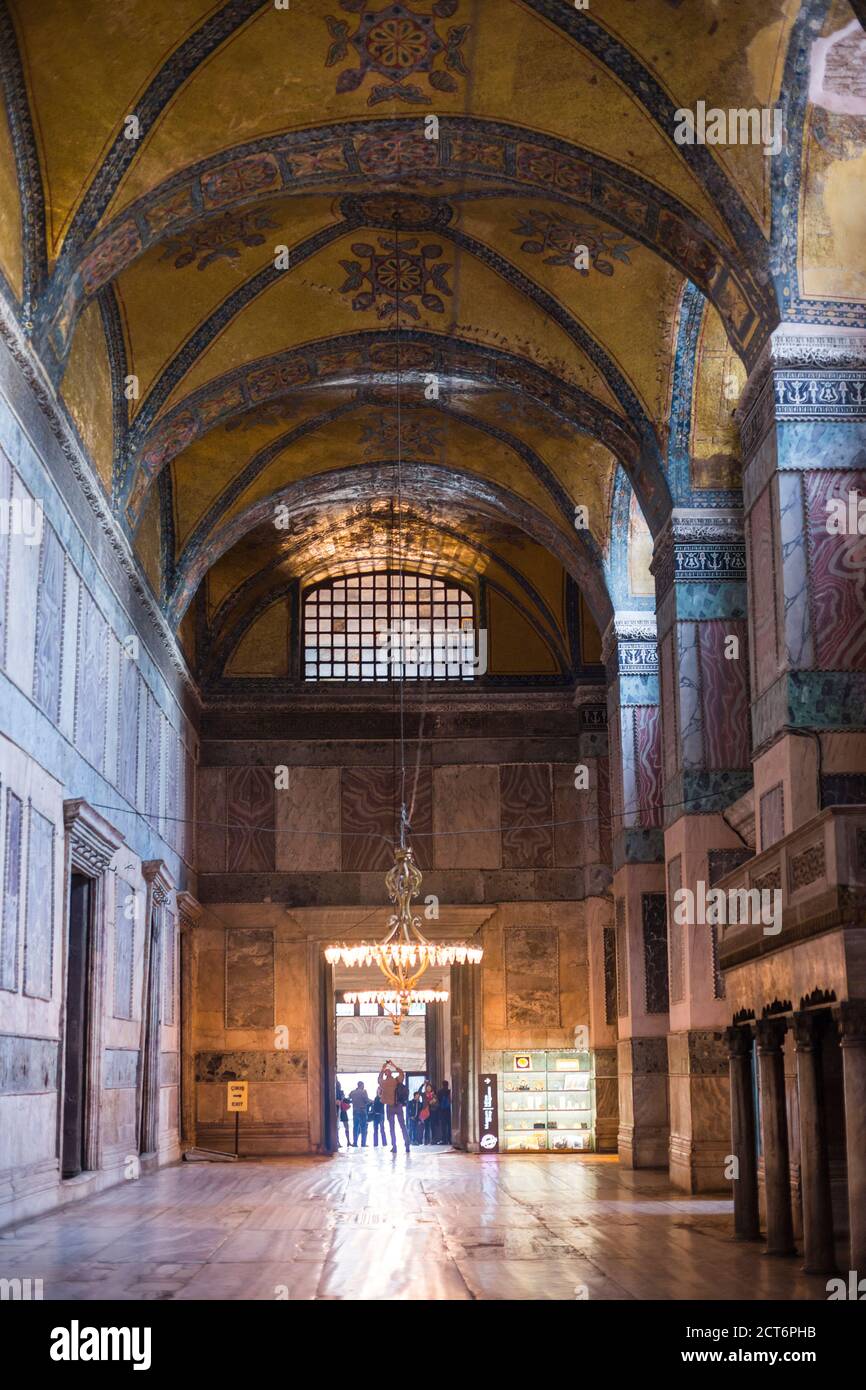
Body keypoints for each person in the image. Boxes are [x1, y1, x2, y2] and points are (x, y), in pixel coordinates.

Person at [377, 1059, 410, 1154]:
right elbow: (402, 1073)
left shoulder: (383, 1083)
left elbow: (379, 1080)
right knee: (403, 1126)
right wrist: (393, 1065)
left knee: (392, 1127)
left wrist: (383, 1069)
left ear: (385, 1074)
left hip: (390, 1107)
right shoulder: (396, 1080)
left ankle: (394, 1147)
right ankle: (407, 1145)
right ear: (391, 1073)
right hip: (398, 1106)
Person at [348, 1079, 370, 1147]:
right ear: (362, 1085)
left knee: (355, 1127)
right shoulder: (364, 1092)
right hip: (362, 1111)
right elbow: (366, 1101)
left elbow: (349, 1098)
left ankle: (355, 1143)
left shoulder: (352, 1092)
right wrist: (371, 1101)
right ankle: (363, 1144)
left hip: (355, 1111)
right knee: (363, 1127)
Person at [421, 1080, 438, 1145]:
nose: (428, 1088)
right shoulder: (424, 1095)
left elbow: (437, 1104)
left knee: (432, 1126)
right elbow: (419, 1091)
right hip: (426, 1111)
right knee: (426, 1126)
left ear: (431, 1088)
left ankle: (433, 1140)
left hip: (432, 1111)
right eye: (427, 1087)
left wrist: (433, 1103)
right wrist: (423, 1084)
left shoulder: (434, 1095)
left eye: (429, 1087)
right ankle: (426, 1141)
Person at [335, 1080, 350, 1147]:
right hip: (342, 1111)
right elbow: (344, 1100)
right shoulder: (341, 1093)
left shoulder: (335, 1092)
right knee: (346, 1126)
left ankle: (338, 1142)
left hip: (338, 1110)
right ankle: (348, 1141)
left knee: (337, 1127)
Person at [436, 1080, 451, 1145]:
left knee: (443, 1126)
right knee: (449, 1125)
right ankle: (449, 1139)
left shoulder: (439, 1092)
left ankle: (444, 1140)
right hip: (448, 1110)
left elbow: (438, 1101)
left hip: (442, 1111)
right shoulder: (449, 1091)